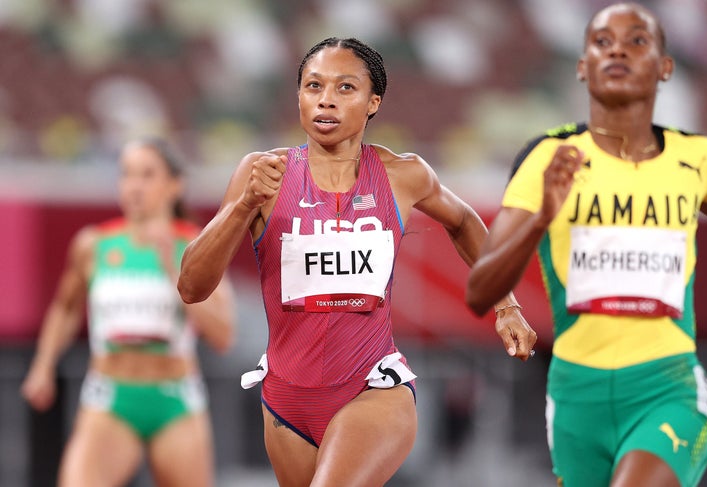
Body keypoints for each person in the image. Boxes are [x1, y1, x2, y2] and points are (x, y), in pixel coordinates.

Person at [177, 37, 537, 487]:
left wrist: (506, 304)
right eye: (314, 86)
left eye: (345, 88)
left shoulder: (403, 175)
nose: (326, 99)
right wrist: (242, 205)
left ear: (373, 102)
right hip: (286, 403)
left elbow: (464, 222)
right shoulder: (262, 173)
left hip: (373, 389)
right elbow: (191, 287)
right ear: (300, 97)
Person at [466, 3, 707, 486]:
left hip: (666, 387)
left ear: (665, 66)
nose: (618, 52)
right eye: (602, 43)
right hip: (574, 396)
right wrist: (542, 216)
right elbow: (480, 291)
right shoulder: (548, 158)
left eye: (637, 41)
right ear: (583, 65)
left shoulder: (700, 158)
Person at [21, 137, 235, 487]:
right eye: (127, 175)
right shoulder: (94, 244)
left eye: (147, 175)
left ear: (174, 185)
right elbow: (65, 308)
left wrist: (173, 268)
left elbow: (223, 335)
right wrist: (43, 365)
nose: (134, 186)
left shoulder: (197, 246)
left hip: (174, 401)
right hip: (110, 400)